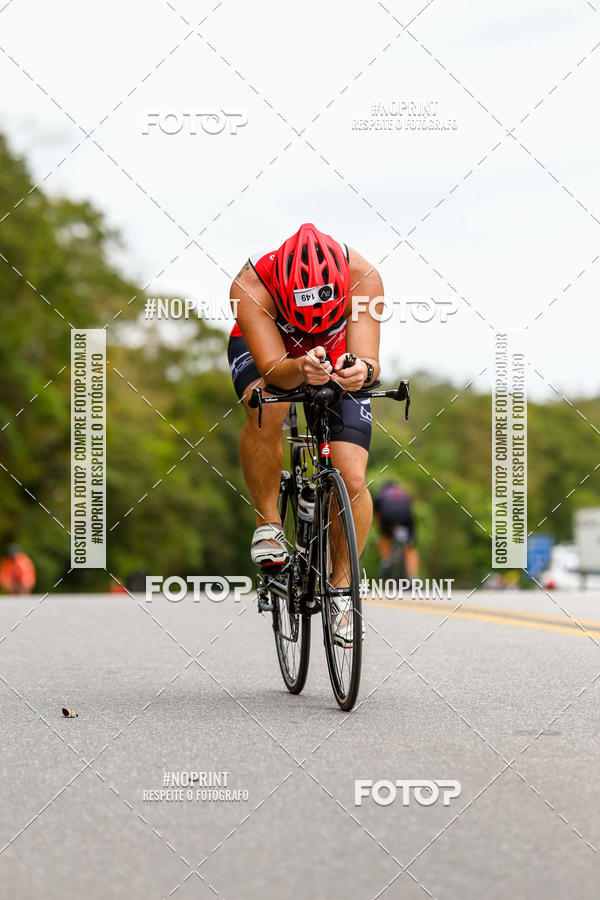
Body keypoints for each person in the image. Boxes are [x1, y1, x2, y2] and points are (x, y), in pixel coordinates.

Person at [228, 223, 382, 646]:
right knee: (267, 405)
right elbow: (276, 370)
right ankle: (269, 522)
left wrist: (361, 371)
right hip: (271, 348)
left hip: (335, 354)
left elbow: (370, 361)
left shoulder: (364, 278)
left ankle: (342, 589)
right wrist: (301, 368)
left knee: (351, 478)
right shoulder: (250, 286)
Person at [373, 481, 419, 580]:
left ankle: (385, 562)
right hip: (406, 518)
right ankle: (413, 576)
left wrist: (383, 529)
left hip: (388, 517)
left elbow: (378, 516)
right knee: (410, 547)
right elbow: (410, 509)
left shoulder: (381, 495)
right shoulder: (403, 493)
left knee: (384, 538)